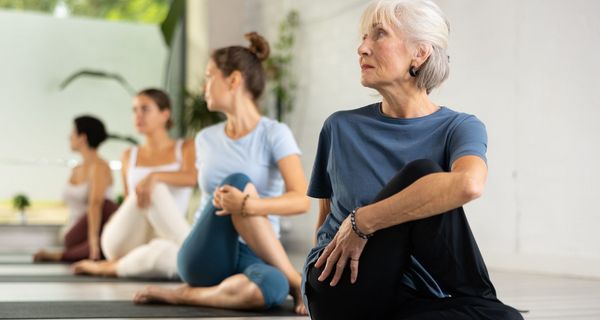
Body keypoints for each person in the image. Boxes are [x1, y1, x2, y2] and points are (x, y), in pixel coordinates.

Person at [302, 1, 524, 319]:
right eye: (363, 36)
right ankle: (481, 300)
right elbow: (325, 216)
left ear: (419, 53)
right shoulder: (339, 127)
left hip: (410, 295)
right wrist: (308, 295)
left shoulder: (459, 127)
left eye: (378, 35)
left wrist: (362, 220)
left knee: (506, 319)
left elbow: (470, 184)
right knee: (423, 174)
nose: (361, 48)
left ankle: (482, 304)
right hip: (341, 284)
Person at [132, 32, 310, 315]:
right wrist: (240, 200)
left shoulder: (275, 134)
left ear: (234, 80)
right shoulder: (205, 138)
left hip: (258, 252)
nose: (204, 86)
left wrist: (249, 206)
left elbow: (301, 199)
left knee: (270, 289)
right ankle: (296, 280)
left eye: (209, 76)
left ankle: (184, 296)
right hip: (204, 254)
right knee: (236, 183)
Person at [72, 88, 197, 279]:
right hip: (124, 239)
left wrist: (155, 175)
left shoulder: (186, 148)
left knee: (171, 258)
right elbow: (131, 203)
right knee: (154, 190)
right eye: (134, 110)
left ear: (165, 114)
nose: (138, 115)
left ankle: (114, 267)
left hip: (164, 239)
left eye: (145, 109)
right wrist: (153, 180)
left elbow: (192, 177)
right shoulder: (129, 156)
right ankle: (195, 252)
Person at [33, 115, 117, 263]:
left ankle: (68, 254)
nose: (69, 136)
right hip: (73, 235)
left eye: (73, 132)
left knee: (106, 205)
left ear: (82, 137)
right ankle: (80, 251)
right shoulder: (76, 169)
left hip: (95, 231)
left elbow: (95, 205)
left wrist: (93, 242)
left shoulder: (99, 167)